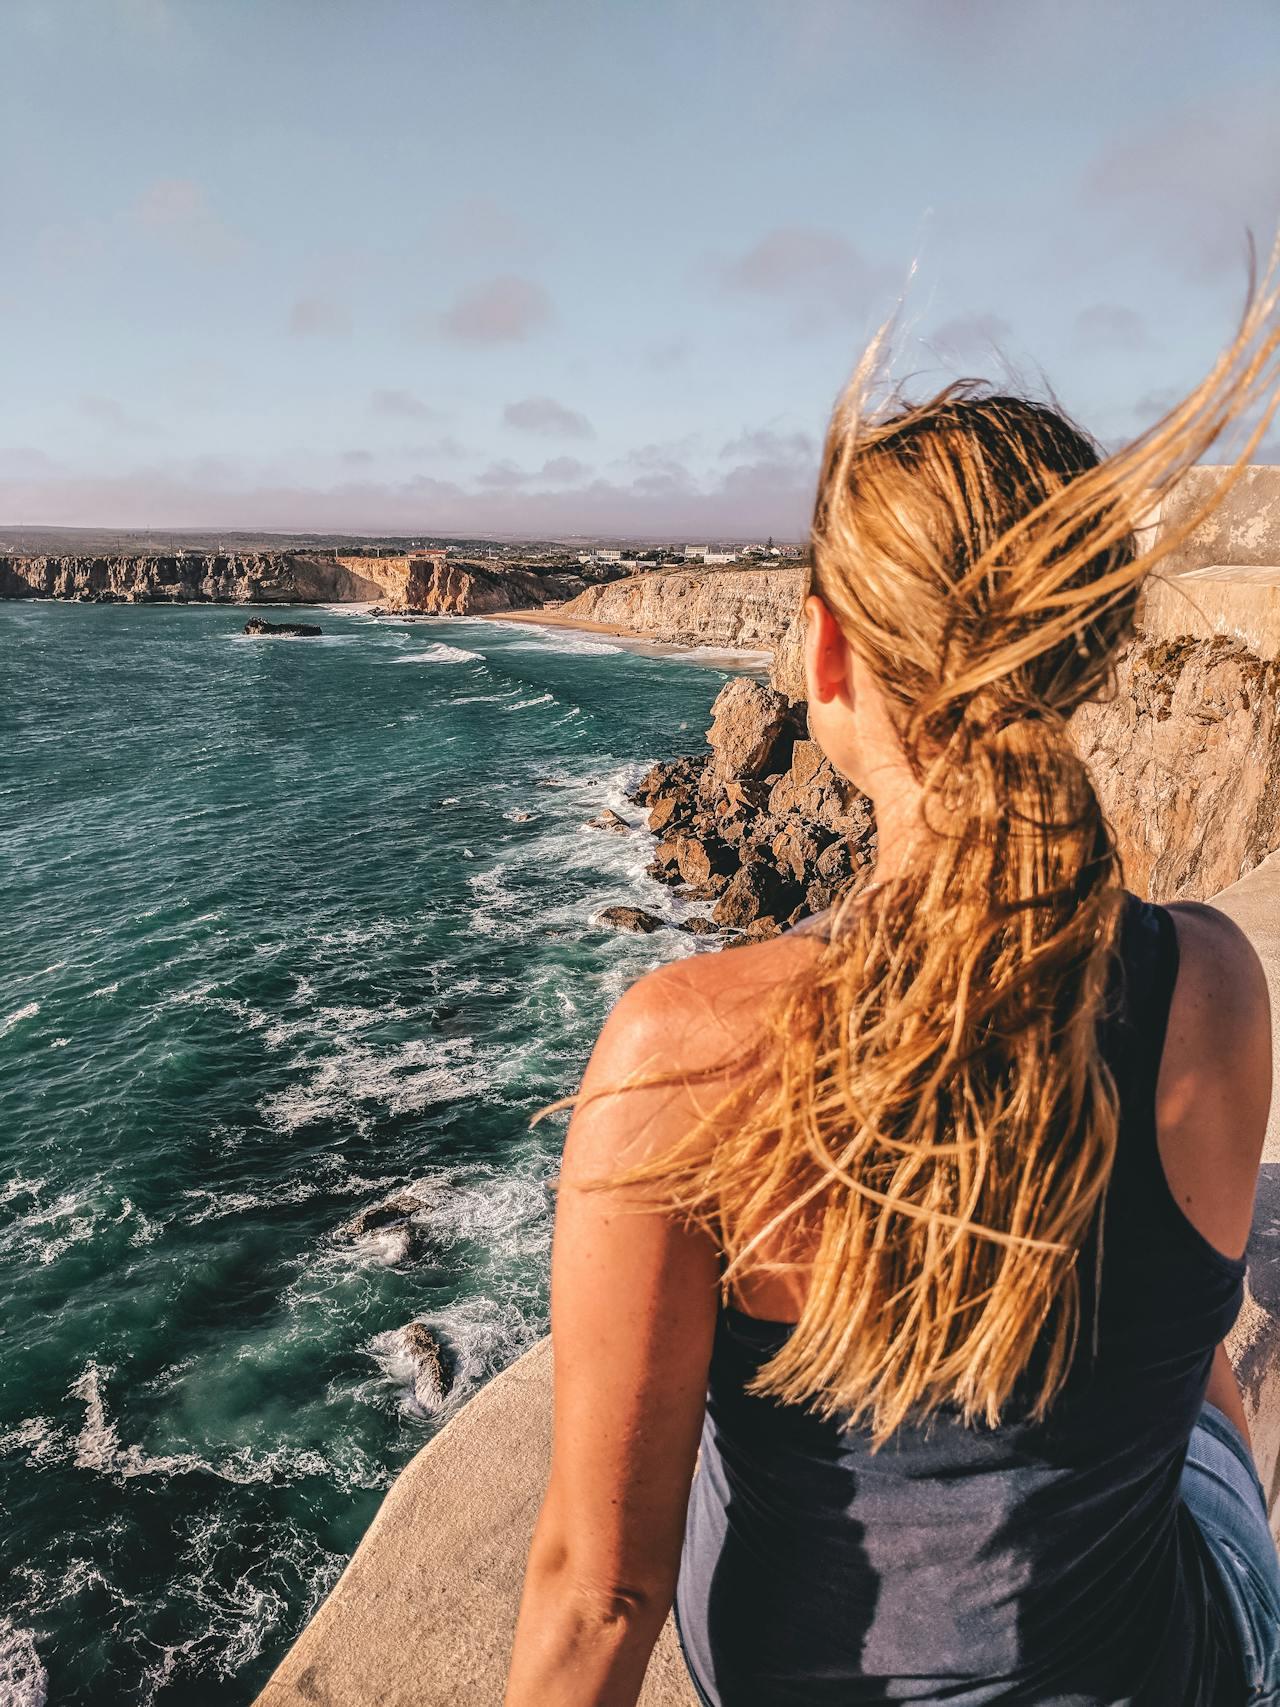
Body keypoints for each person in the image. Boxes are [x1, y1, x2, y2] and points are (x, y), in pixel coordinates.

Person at [505, 246, 1280, 1706]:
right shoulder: (1216, 986)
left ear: (827, 654)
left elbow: (598, 1597)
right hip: (1188, 1666)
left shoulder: (687, 1051)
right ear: (1088, 651)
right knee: (1190, 1370)